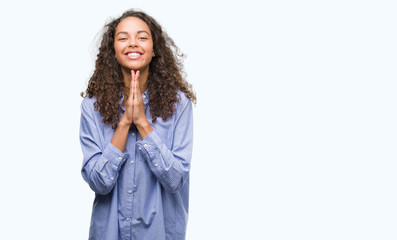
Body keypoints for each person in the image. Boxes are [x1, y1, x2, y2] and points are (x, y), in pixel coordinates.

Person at [79, 9, 196, 240]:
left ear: (154, 50)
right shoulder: (91, 106)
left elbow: (176, 179)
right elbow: (99, 183)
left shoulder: (180, 104)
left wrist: (142, 123)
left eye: (142, 37)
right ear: (113, 50)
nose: (133, 44)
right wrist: (124, 123)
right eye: (123, 38)